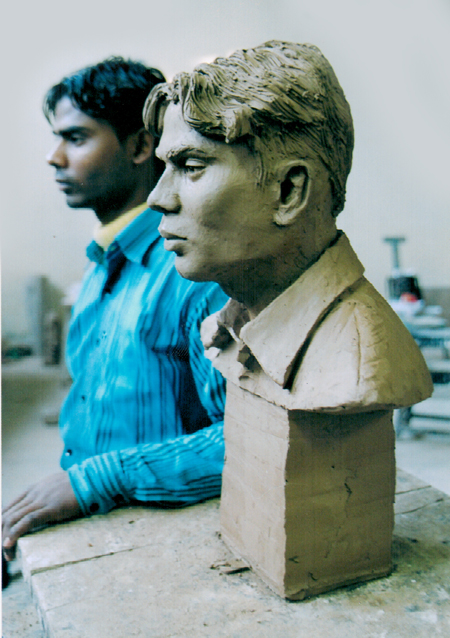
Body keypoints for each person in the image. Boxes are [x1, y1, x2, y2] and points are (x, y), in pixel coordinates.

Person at [2, 57, 227, 564]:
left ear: (141, 146)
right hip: (98, 526)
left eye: (76, 138)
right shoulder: (100, 264)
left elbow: (250, 440)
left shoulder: (194, 273)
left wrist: (93, 482)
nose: (54, 157)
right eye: (57, 139)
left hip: (166, 542)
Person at [144, 40, 432, 411]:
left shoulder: (358, 358)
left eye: (191, 166)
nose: (157, 198)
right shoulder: (226, 329)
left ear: (288, 191)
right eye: (165, 168)